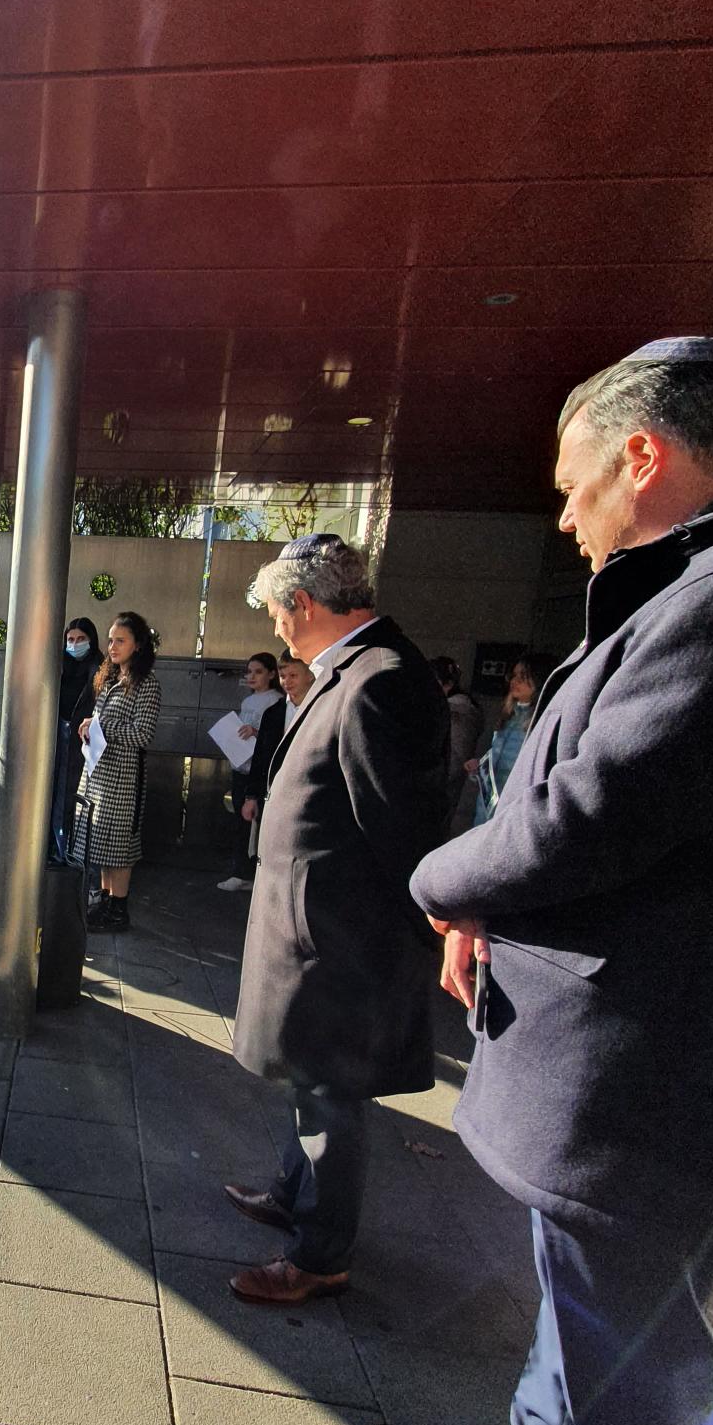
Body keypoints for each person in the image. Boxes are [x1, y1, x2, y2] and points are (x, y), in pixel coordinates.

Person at [386, 335, 713, 1425]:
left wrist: (441, 880)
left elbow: (595, 810)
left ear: (642, 455)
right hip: (634, 1044)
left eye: (572, 485)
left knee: (639, 1360)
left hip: (655, 1061)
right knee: (585, 1293)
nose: (564, 518)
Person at [227, 534, 448, 1305]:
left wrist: (429, 931)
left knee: (330, 1093)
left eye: (276, 612)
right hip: (318, 930)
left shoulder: (379, 678)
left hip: (342, 940)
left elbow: (402, 829)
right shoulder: (353, 668)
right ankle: (294, 1197)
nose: (275, 627)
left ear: (304, 603)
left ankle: (320, 1257)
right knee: (308, 1077)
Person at [72, 611, 161, 932]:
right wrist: (89, 727)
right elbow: (103, 723)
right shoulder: (109, 680)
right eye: (110, 640)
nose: (112, 647)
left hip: (123, 780)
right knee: (102, 847)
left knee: (119, 848)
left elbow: (143, 734)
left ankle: (118, 911)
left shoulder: (146, 684)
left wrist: (102, 727)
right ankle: (106, 904)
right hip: (98, 775)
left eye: (120, 640)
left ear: (138, 645)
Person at [230, 651, 314, 885]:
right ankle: (253, 877)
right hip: (265, 780)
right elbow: (261, 756)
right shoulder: (274, 711)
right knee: (259, 834)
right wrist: (251, 795)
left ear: (310, 675)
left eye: (293, 675)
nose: (287, 681)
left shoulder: (316, 707)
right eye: (284, 675)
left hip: (300, 783)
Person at [217, 651, 284, 890]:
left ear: (272, 674)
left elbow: (274, 736)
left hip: (259, 769)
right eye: (249, 672)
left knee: (255, 823)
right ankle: (242, 870)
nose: (252, 676)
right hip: (241, 766)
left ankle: (248, 871)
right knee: (241, 820)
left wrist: (256, 733)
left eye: (258, 672)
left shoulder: (276, 701)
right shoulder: (248, 701)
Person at [469, 651, 556, 825]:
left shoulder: (543, 722)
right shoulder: (508, 715)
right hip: (487, 807)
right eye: (513, 675)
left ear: (539, 681)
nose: (514, 681)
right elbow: (498, 758)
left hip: (513, 813)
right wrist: (480, 768)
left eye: (523, 677)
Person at [53, 616, 103, 850]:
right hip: (57, 731)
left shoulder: (100, 668)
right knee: (53, 788)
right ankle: (52, 846)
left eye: (81, 639)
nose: (74, 644)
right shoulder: (58, 664)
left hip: (83, 738)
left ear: (91, 640)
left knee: (72, 791)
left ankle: (68, 848)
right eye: (70, 639)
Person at [430, 656, 483, 834]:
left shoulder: (459, 713)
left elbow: (456, 759)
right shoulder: (441, 708)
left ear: (448, 684)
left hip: (440, 791)